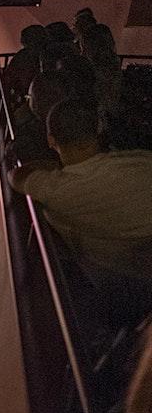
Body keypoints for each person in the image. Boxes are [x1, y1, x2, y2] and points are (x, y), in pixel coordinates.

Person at [10, 99, 152, 319]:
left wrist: (52, 169)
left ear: (51, 141)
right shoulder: (141, 160)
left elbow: (17, 177)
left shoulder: (60, 191)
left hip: (127, 287)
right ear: (98, 131)